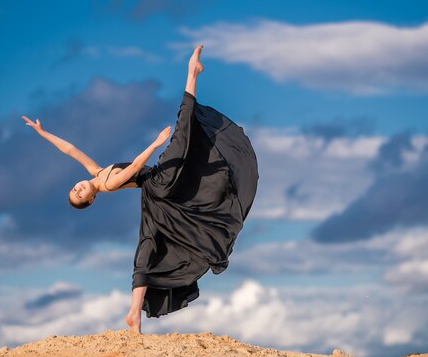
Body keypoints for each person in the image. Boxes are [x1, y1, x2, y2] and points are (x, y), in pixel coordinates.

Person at [22, 44, 259, 334]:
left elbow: (71, 150)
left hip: (153, 197)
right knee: (183, 133)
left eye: (75, 189)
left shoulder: (97, 173)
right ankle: (192, 73)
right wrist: (156, 145)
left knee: (146, 250)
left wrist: (43, 133)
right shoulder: (108, 183)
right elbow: (134, 169)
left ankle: (134, 314)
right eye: (80, 194)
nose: (79, 188)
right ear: (92, 199)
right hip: (158, 181)